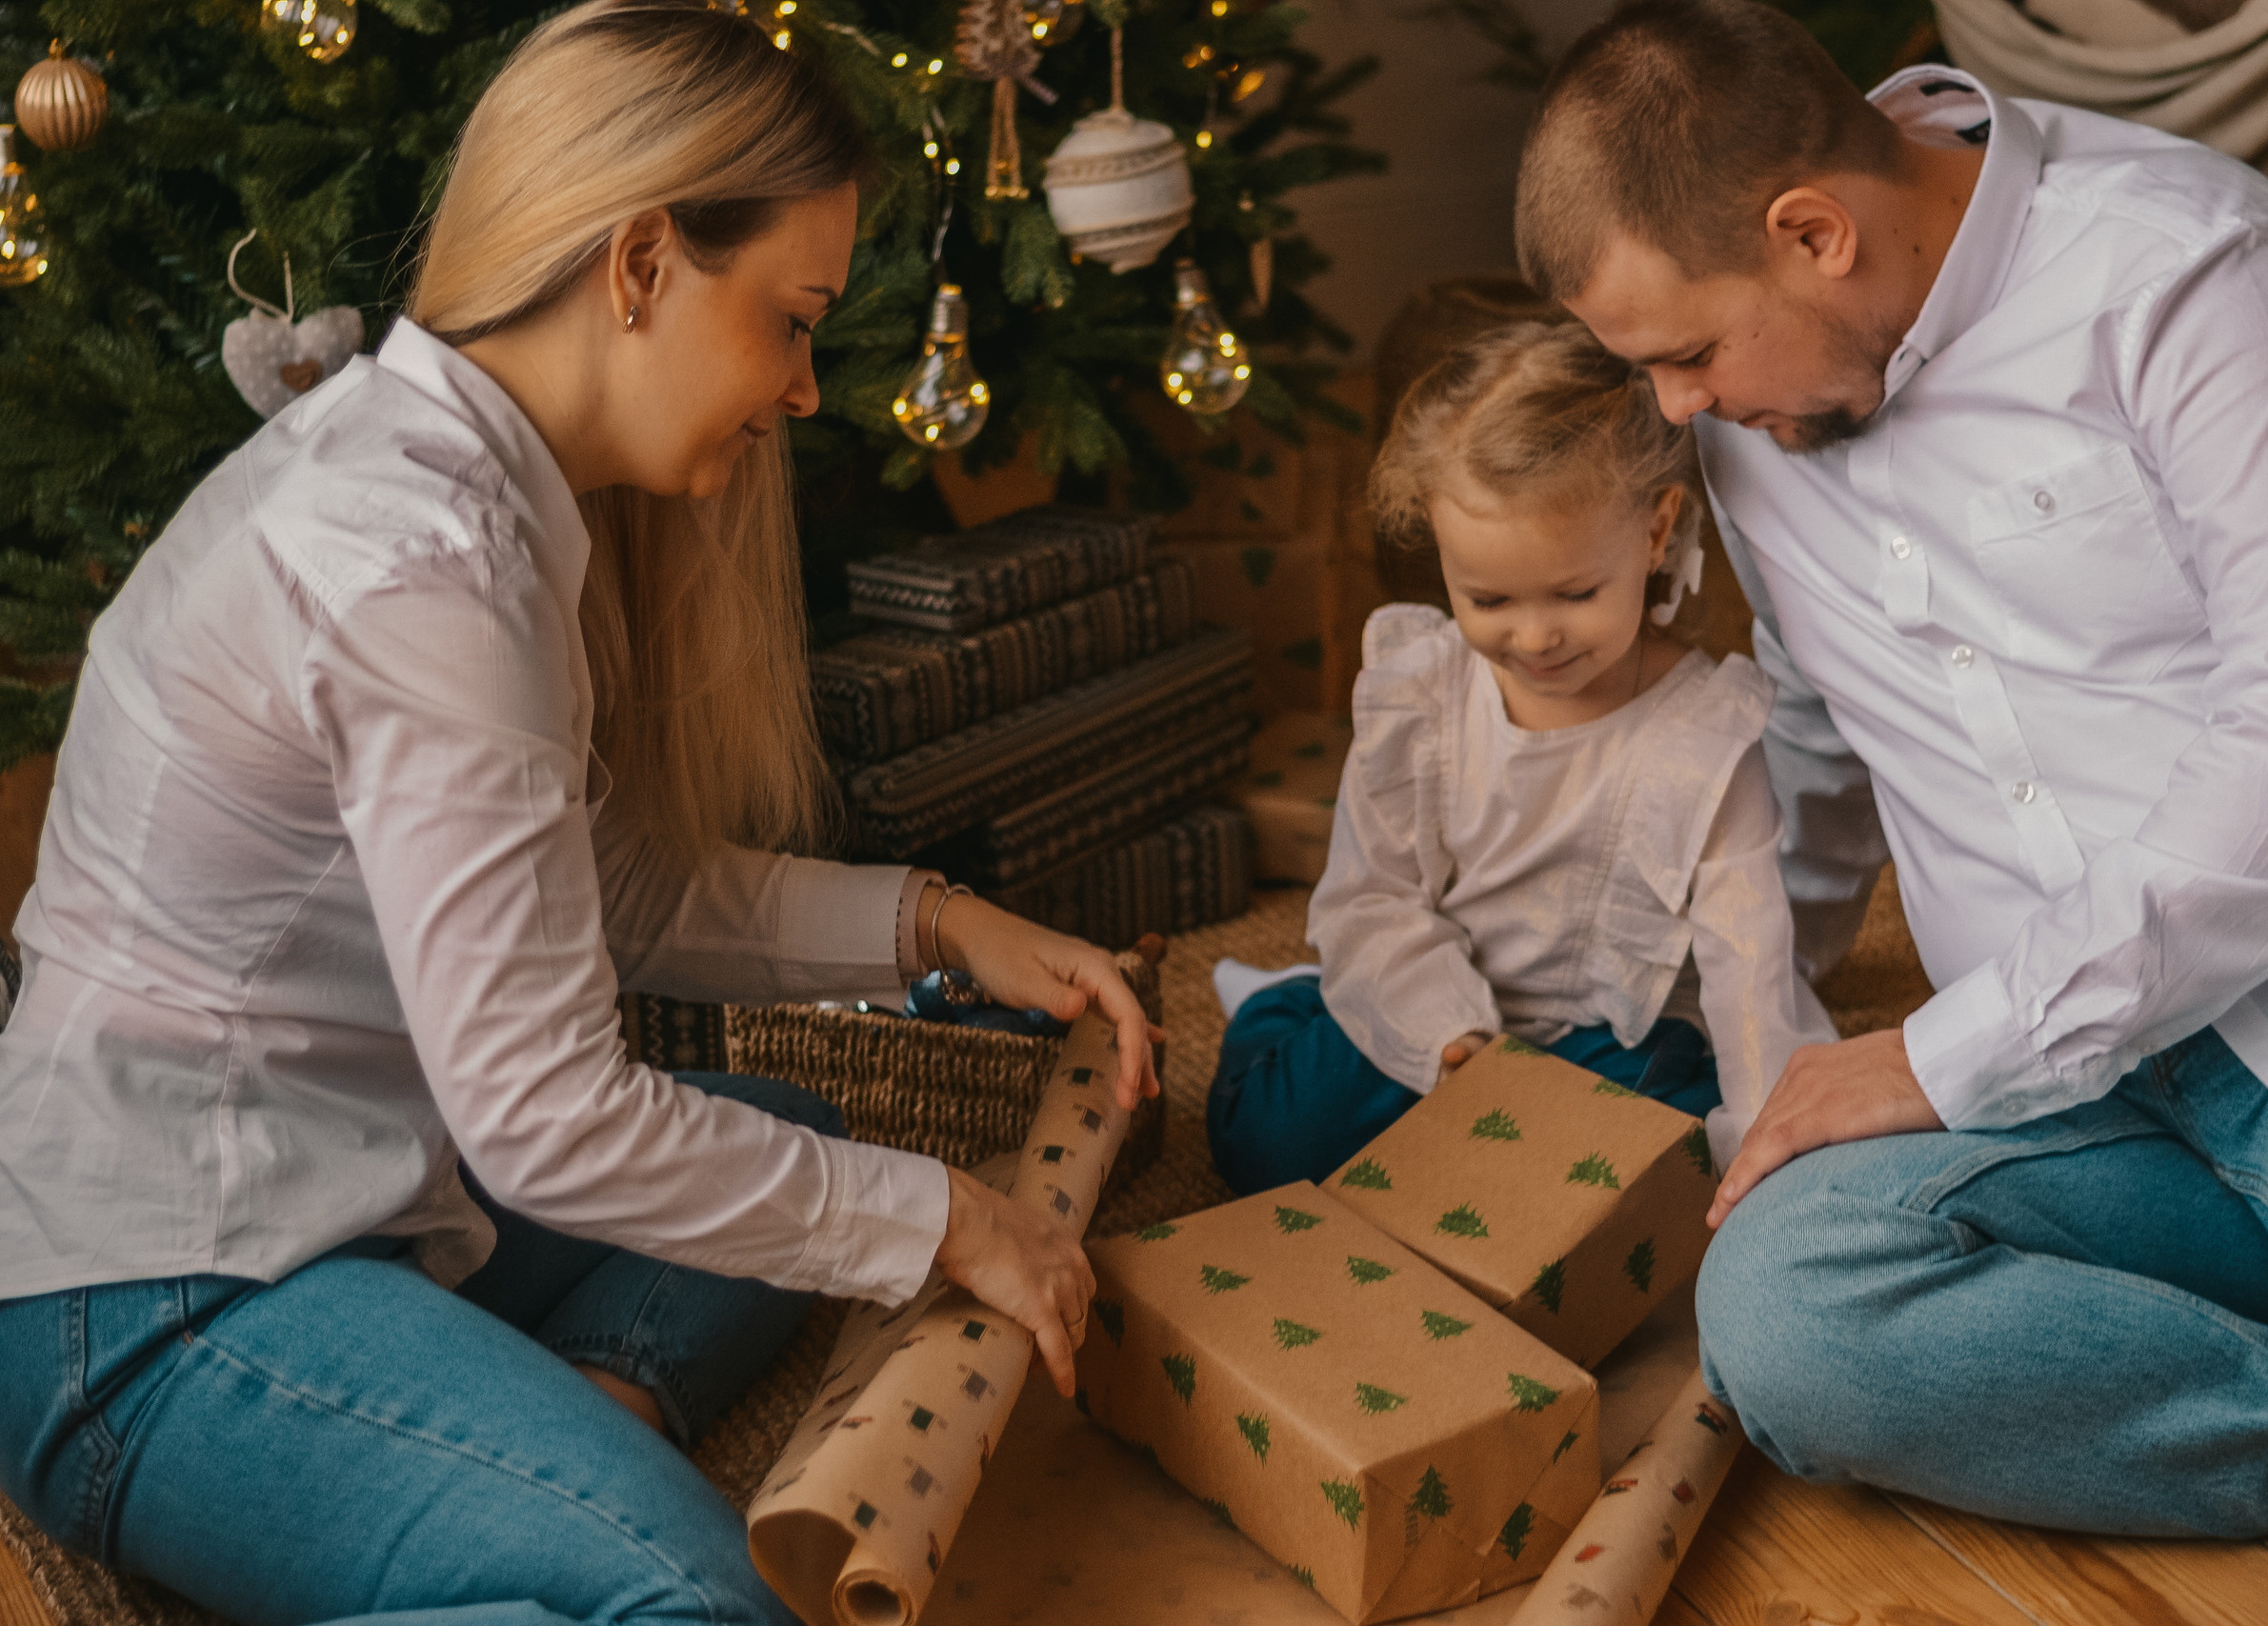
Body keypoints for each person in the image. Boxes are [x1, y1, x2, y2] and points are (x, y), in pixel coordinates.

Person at [0, 6, 1158, 1622]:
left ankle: (555, 1451)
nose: (809, 388)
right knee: (699, 1600)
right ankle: (539, 1522)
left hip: (367, 1186)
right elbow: (544, 1113)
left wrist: (936, 922)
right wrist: (954, 1214)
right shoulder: (423, 560)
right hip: (157, 1300)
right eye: (793, 320)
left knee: (809, 1151)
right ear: (640, 268)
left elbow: (600, 889)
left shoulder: (464, 483)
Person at [1515, 0, 2268, 1579]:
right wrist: (1735, 1010)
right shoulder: (1765, 411)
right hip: (2078, 1101)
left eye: (1682, 354)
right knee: (1783, 1307)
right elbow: (1816, 727)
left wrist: (1947, 1056)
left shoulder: (2201, 276)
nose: (1671, 409)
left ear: (1811, 233)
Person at [1205, 319, 1835, 1195]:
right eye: (1488, 598)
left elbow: (1749, 960)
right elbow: (1371, 896)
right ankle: (1289, 1001)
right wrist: (1454, 1040)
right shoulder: (1421, 697)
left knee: (1668, 1159)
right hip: (1444, 1003)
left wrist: (1772, 1129)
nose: (1535, 636)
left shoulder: (1706, 735)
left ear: (1656, 534)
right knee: (1264, 1141)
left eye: (1576, 593)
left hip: (1611, 1033)